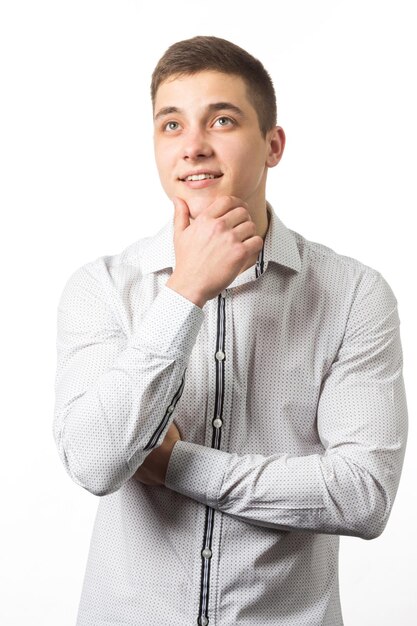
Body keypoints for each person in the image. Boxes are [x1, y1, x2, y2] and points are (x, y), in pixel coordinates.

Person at [53, 35, 408, 626]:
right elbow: (94, 462)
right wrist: (185, 291)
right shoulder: (103, 289)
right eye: (171, 125)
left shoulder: (352, 296)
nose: (193, 146)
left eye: (221, 120)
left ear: (273, 145)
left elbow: (364, 494)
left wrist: (180, 465)